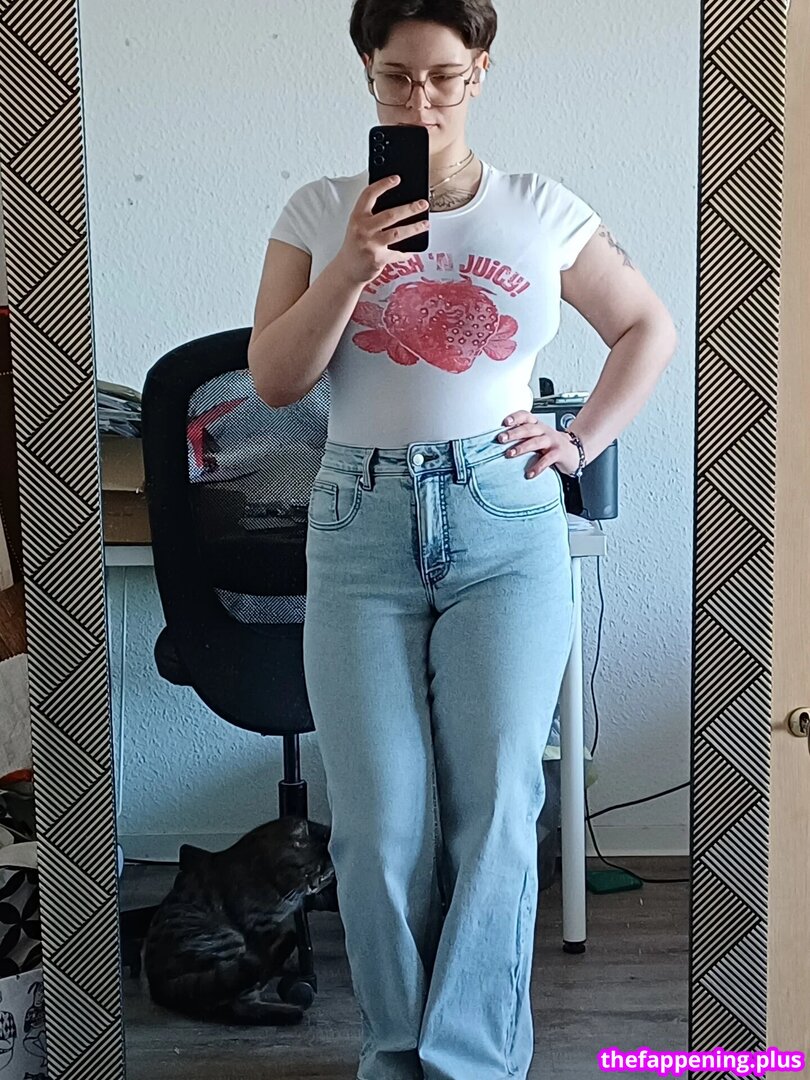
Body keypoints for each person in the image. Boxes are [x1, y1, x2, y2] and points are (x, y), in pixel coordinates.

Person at [248, 2, 678, 1077]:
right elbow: (277, 380)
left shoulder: (539, 208)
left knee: (495, 810)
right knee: (378, 825)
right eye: (396, 78)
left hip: (505, 516)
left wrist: (580, 439)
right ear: (367, 72)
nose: (420, 101)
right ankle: (397, 1056)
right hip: (359, 523)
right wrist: (352, 264)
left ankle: (472, 1060)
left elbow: (647, 326)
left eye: (442, 76)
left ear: (479, 71)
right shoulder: (317, 211)